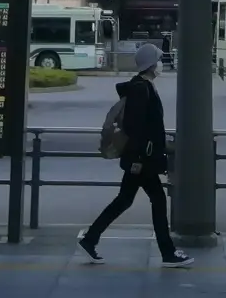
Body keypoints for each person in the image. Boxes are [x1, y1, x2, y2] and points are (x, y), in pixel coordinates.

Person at [79, 43, 190, 267]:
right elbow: (134, 127)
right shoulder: (141, 89)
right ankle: (168, 253)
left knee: (124, 200)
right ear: (150, 64)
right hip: (141, 161)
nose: (160, 64)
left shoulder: (144, 86)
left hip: (139, 159)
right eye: (158, 60)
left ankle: (90, 239)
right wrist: (138, 160)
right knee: (156, 201)